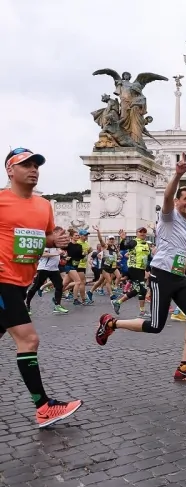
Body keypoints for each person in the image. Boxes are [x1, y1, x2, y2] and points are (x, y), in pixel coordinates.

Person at [95, 154, 186, 380]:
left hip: (179, 276)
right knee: (156, 325)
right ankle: (112, 322)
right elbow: (167, 195)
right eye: (185, 199)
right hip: (161, 276)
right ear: (177, 201)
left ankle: (184, 366)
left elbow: (179, 251)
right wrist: (178, 175)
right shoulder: (168, 216)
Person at [1, 147, 82, 427]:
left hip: (22, 281)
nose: (33, 169)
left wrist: (55, 241)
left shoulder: (44, 205)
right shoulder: (1, 200)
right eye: (26, 165)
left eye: (36, 165)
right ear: (10, 170)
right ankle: (44, 407)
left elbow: (43, 237)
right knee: (28, 339)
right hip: (3, 282)